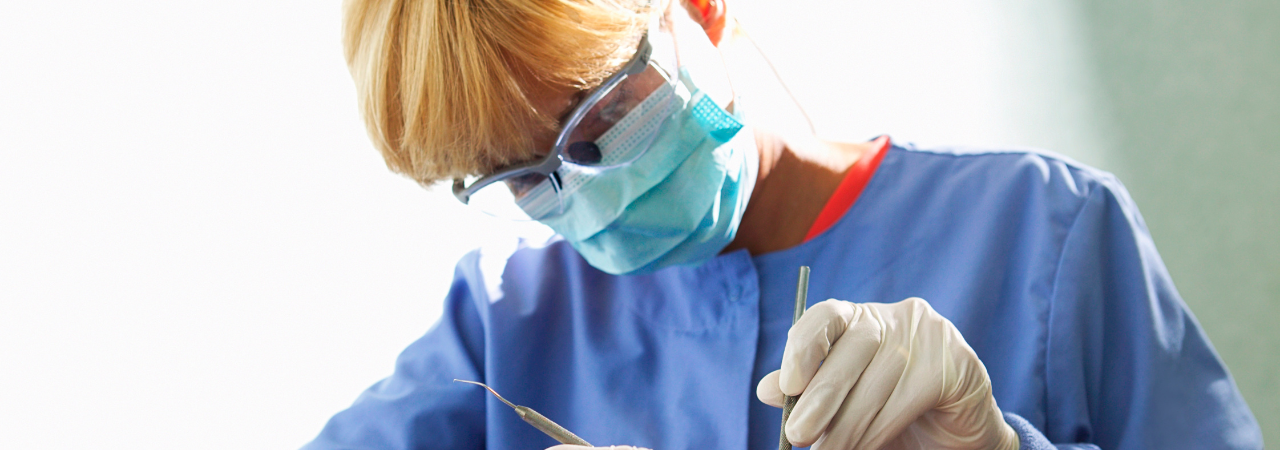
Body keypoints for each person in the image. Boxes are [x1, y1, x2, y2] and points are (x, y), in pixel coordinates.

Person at [305, 0, 1264, 448]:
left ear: (697, 11)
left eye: (599, 117)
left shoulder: (1042, 235)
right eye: (523, 178)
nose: (583, 191)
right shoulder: (502, 335)